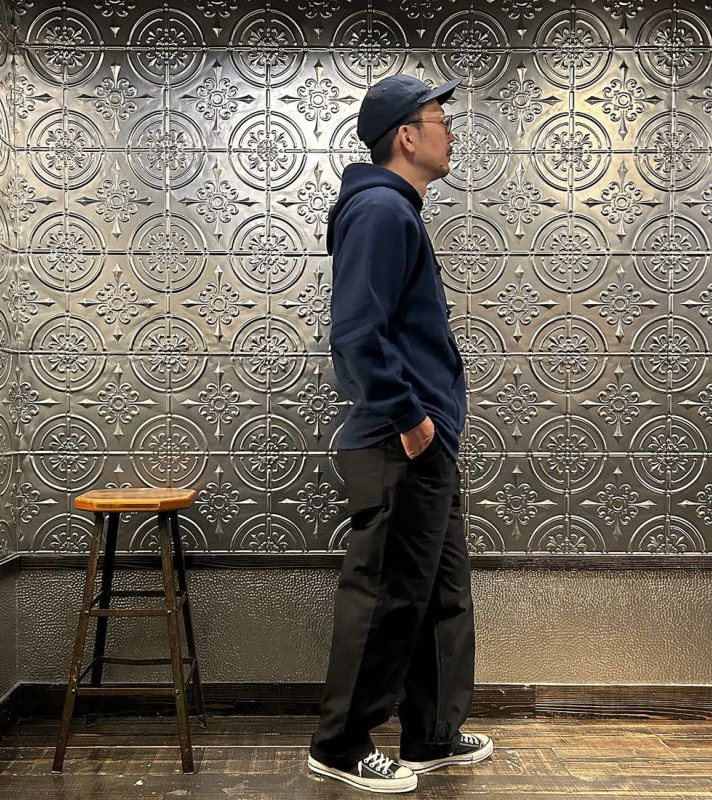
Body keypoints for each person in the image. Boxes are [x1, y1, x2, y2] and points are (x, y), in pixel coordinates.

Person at [307, 74, 494, 794]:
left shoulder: (397, 211)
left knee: (440, 592)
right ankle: (341, 745)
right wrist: (410, 418)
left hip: (425, 440)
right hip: (399, 440)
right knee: (386, 595)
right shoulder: (381, 210)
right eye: (440, 119)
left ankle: (431, 734)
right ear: (407, 137)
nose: (452, 132)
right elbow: (357, 331)